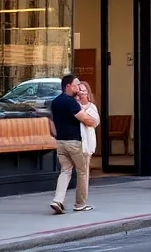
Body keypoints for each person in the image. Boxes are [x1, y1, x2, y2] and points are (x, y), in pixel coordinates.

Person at [49, 73, 100, 215]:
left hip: (60, 142)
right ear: (68, 86)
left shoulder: (56, 102)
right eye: (76, 84)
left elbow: (52, 122)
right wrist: (93, 120)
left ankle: (57, 200)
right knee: (83, 172)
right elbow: (87, 120)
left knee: (65, 171)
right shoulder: (70, 102)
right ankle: (80, 204)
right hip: (74, 142)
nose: (78, 87)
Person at [67, 81, 100, 195]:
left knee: (84, 169)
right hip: (73, 140)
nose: (81, 92)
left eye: (84, 90)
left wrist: (85, 116)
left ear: (88, 93)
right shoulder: (73, 105)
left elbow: (95, 122)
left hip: (87, 141)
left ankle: (82, 193)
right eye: (79, 89)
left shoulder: (92, 107)